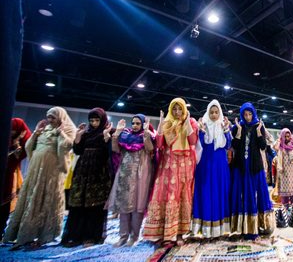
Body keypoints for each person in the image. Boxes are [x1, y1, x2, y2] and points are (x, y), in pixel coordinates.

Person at [4, 107, 76, 250]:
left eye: (53, 117)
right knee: (31, 197)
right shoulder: (44, 129)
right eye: (48, 117)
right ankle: (23, 234)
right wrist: (36, 133)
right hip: (36, 169)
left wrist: (60, 132)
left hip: (52, 171)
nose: (50, 120)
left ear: (60, 117)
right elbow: (29, 147)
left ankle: (44, 235)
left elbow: (67, 146)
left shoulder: (68, 129)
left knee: (45, 199)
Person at [143, 98, 198, 246]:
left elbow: (192, 141)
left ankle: (180, 233)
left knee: (182, 195)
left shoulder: (191, 122)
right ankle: (165, 233)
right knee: (166, 195)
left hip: (185, 165)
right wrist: (161, 125)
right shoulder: (167, 123)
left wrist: (186, 124)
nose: (177, 112)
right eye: (174, 109)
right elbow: (159, 144)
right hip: (168, 164)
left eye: (180, 109)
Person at [61, 108, 114, 247]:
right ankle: (75, 235)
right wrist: (78, 137)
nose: (94, 123)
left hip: (99, 171)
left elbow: (109, 153)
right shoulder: (86, 133)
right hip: (83, 170)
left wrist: (106, 136)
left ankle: (91, 236)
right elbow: (78, 151)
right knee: (78, 202)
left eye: (97, 120)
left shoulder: (108, 131)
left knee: (95, 204)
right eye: (92, 121)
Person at [108, 114, 155, 247]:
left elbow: (150, 149)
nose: (134, 126)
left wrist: (146, 133)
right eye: (133, 123)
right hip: (125, 173)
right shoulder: (125, 136)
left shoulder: (147, 135)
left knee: (137, 206)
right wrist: (116, 134)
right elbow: (115, 149)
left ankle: (134, 237)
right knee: (124, 204)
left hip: (141, 174)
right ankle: (123, 236)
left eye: (137, 123)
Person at [230, 102, 274, 239]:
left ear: (253, 114)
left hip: (255, 166)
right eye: (245, 114)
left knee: (257, 193)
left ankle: (259, 226)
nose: (248, 117)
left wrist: (260, 132)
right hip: (241, 166)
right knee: (242, 194)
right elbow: (234, 146)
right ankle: (242, 227)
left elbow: (262, 146)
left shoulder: (257, 126)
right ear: (242, 114)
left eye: (250, 114)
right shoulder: (239, 127)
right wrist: (237, 131)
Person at [191, 100, 231, 239]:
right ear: (208, 113)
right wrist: (201, 130)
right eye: (211, 112)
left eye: (216, 112)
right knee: (206, 192)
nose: (214, 115)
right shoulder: (203, 125)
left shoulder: (223, 125)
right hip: (206, 163)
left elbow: (228, 146)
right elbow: (199, 144)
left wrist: (226, 129)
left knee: (220, 192)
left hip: (220, 163)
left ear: (219, 112)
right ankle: (205, 229)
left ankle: (220, 229)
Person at [1, 119, 31, 239]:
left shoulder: (22, 136)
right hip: (7, 171)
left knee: (5, 204)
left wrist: (16, 143)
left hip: (10, 173)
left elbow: (20, 154)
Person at [273, 128, 293, 207]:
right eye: (285, 136)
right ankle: (285, 206)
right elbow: (275, 147)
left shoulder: (292, 145)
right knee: (284, 188)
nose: (287, 138)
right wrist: (279, 139)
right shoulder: (280, 145)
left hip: (292, 170)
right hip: (283, 170)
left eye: (288, 136)